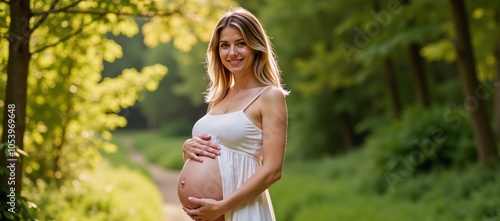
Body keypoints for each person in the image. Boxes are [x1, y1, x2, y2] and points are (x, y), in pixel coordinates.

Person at [177, 7, 289, 221]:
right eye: (224, 45)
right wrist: (187, 148)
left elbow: (273, 170)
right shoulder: (220, 97)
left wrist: (222, 206)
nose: (232, 53)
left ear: (255, 46)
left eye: (241, 43)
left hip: (242, 211)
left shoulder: (270, 96)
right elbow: (216, 152)